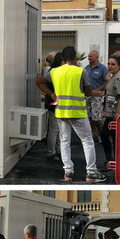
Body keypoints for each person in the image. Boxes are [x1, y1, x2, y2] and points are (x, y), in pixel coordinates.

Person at [36, 46, 108, 183]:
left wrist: (51, 94)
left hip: (61, 112)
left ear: (63, 59)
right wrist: (94, 93)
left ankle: (68, 171)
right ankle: (91, 172)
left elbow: (38, 82)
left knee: (64, 141)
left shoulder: (54, 71)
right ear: (75, 58)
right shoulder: (80, 72)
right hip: (77, 112)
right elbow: (87, 92)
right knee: (87, 141)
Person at [99, 54, 120, 163]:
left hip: (115, 113)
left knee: (105, 134)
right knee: (113, 136)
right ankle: (113, 160)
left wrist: (117, 114)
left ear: (119, 66)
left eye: (113, 64)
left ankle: (112, 160)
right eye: (108, 64)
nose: (110, 66)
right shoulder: (113, 76)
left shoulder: (118, 77)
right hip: (111, 112)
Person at [42, 52, 63, 162]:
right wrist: (52, 94)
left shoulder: (51, 71)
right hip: (54, 104)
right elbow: (40, 82)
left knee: (57, 129)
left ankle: (57, 151)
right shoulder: (54, 72)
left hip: (52, 103)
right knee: (55, 130)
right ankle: (51, 153)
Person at [84, 50, 108, 140]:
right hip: (88, 96)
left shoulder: (102, 68)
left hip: (97, 97)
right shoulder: (86, 68)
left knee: (97, 118)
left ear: (96, 57)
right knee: (89, 117)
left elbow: (106, 81)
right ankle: (94, 134)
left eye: (90, 56)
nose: (88, 57)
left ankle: (103, 136)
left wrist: (98, 90)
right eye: (88, 56)